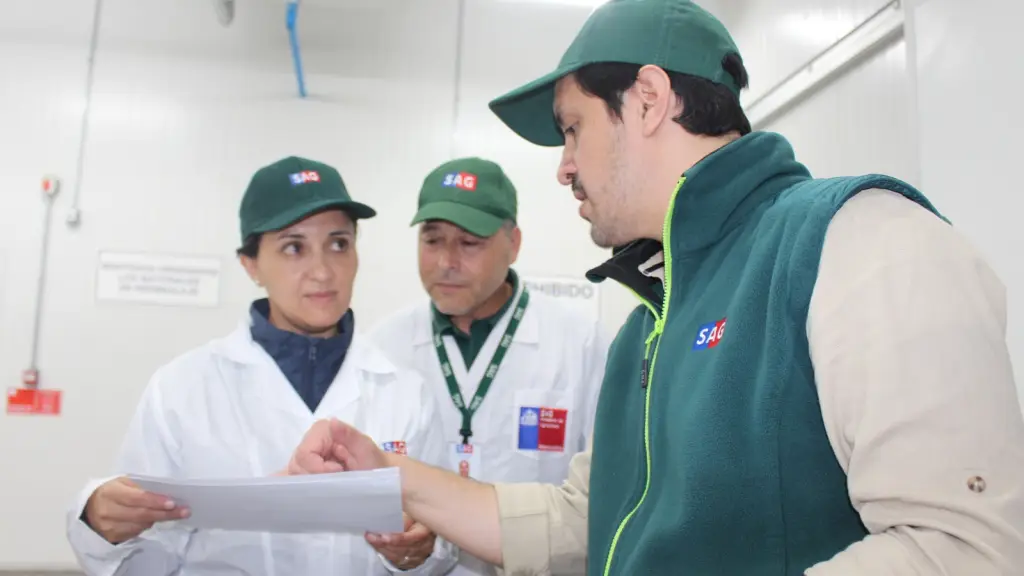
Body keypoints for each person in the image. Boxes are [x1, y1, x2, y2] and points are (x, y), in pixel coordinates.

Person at [287, 1, 1024, 575]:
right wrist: (395, 478)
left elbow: (963, 549)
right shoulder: (653, 318)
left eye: (572, 129)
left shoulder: (859, 242)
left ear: (647, 100)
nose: (564, 166)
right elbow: (585, 517)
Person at [65, 156, 458, 575]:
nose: (323, 271)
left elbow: (443, 540)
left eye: (339, 243)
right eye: (294, 247)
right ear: (251, 264)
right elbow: (141, 551)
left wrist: (419, 552)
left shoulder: (405, 391)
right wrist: (102, 525)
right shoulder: (182, 389)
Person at [367, 157, 609, 575]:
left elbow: (605, 496)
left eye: (469, 243)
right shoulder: (382, 349)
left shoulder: (580, 343)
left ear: (513, 243)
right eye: (432, 240)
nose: (447, 261)